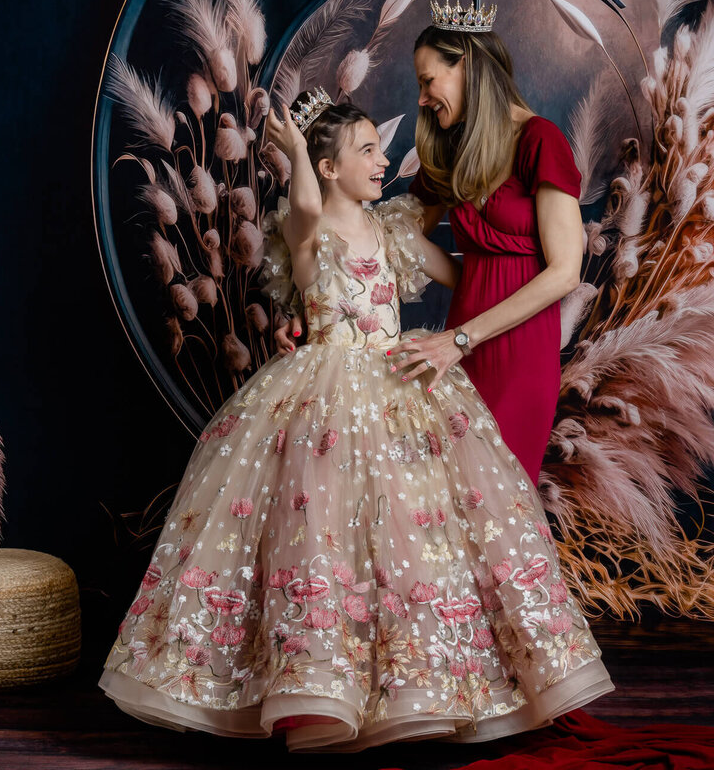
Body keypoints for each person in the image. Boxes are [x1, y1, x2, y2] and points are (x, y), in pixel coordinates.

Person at [99, 83, 613, 751]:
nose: (383, 159)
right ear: (328, 167)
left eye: (381, 149)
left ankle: (424, 683)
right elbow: (308, 204)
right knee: (326, 533)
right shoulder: (302, 225)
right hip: (326, 389)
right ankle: (326, 690)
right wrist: (291, 155)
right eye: (367, 150)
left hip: (400, 383)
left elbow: (473, 279)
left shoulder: (389, 227)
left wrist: (526, 290)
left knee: (414, 537)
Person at [397, 1, 585, 485]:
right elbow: (395, 235)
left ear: (469, 65)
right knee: (442, 514)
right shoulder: (452, 151)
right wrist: (319, 293)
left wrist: (461, 339)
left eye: (427, 80)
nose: (421, 98)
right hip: (454, 351)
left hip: (516, 355)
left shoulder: (540, 140)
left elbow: (566, 271)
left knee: (500, 515)